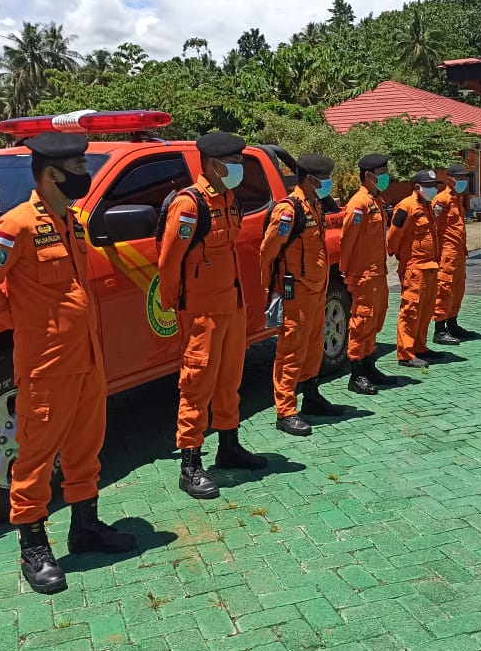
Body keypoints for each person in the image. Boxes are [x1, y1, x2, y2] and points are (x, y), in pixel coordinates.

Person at [0, 132, 134, 595]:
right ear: (51, 173)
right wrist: (27, 321)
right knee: (36, 456)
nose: (85, 174)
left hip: (87, 358)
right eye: (78, 166)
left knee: (85, 447)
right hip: (46, 363)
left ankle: (85, 527)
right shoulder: (15, 225)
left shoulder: (73, 221)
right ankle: (33, 544)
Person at [157, 131, 267, 501]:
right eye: (234, 162)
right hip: (201, 311)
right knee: (197, 384)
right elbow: (169, 261)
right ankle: (190, 463)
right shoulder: (189, 205)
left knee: (229, 380)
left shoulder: (229, 199)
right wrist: (176, 303)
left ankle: (229, 445)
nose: (238, 167)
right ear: (214, 164)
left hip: (231, 307)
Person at [261, 153, 344, 436]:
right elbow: (267, 251)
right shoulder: (288, 211)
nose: (328, 183)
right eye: (324, 178)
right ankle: (285, 410)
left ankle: (311, 395)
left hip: (316, 288)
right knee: (291, 348)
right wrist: (270, 287)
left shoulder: (314, 206)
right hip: (294, 289)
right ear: (310, 179)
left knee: (312, 342)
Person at [341, 153, 399, 395]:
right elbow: (347, 241)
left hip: (378, 273)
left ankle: (369, 366)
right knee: (362, 322)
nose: (386, 177)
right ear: (368, 176)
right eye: (382, 173)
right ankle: (357, 374)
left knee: (375, 321)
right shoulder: (359, 203)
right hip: (362, 275)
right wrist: (347, 271)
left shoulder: (376, 200)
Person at [388, 169, 444, 369]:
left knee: (426, 310)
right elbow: (394, 235)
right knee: (410, 311)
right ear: (418, 187)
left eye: (435, 185)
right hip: (414, 268)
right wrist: (395, 253)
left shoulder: (427, 206)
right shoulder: (406, 207)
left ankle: (420, 347)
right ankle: (406, 353)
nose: (433, 189)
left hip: (430, 266)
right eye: (429, 186)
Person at [432, 163, 479, 346]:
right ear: (450, 179)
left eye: (465, 178)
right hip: (447, 253)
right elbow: (433, 227)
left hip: (459, 253)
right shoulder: (441, 201)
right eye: (460, 178)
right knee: (444, 289)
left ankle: (453, 324)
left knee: (458, 290)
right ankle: (440, 329)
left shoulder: (457, 199)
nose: (463, 181)